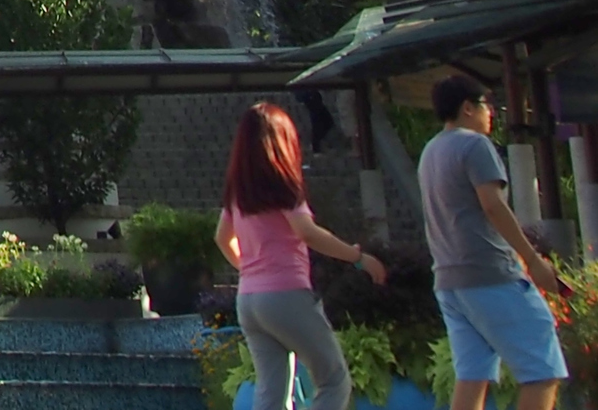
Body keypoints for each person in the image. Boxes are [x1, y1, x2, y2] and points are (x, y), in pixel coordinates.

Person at [215, 100, 386, 410]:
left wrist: (250, 270)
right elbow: (307, 233)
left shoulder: (238, 193)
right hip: (286, 295)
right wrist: (357, 256)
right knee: (334, 380)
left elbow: (223, 238)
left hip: (249, 300)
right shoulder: (283, 187)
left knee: (271, 392)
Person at [420, 73, 569, 410]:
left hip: (449, 280)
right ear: (468, 108)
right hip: (490, 274)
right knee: (542, 371)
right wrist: (532, 260)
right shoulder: (474, 145)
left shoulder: (431, 152)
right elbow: (492, 205)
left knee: (472, 375)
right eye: (488, 105)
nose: (492, 113)